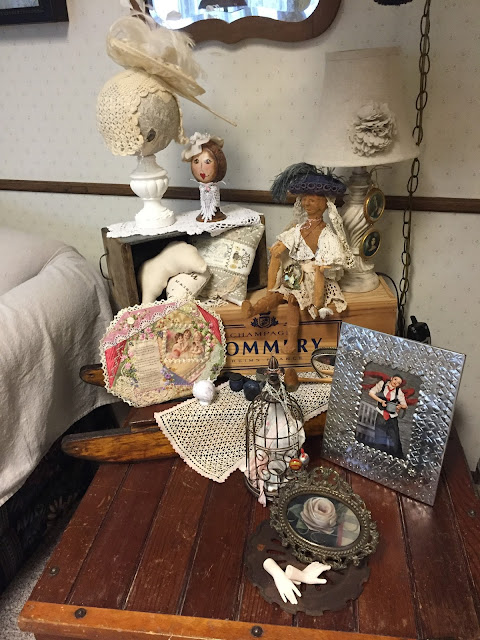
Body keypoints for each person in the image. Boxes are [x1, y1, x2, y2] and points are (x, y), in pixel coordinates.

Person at [242, 164, 354, 353]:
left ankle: (292, 341)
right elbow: (286, 244)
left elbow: (326, 264)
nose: (306, 204)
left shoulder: (327, 235)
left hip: (311, 278)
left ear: (323, 204)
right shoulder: (298, 229)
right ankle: (253, 310)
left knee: (293, 300)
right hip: (293, 274)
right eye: (304, 199)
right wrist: (279, 249)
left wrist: (320, 279)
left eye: (312, 200)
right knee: (278, 294)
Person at [182, 132, 227, 222]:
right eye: (196, 161)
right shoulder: (202, 188)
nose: (201, 168)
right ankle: (207, 212)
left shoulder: (213, 188)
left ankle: (212, 212)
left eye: (207, 162)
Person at [368, 373, 408, 458]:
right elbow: (371, 393)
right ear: (392, 378)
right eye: (395, 380)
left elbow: (405, 405)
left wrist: (400, 406)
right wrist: (380, 401)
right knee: (379, 437)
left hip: (392, 417)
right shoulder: (382, 384)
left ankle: (397, 458)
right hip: (381, 415)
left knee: (394, 438)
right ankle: (378, 456)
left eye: (399, 383)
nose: (396, 383)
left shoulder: (398, 391)